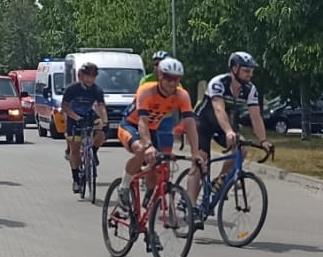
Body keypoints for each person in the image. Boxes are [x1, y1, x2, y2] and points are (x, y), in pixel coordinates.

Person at [119, 55, 194, 208]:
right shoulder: (146, 90)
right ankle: (124, 187)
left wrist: (196, 153)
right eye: (168, 78)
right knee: (141, 149)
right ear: (160, 75)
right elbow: (142, 122)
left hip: (152, 129)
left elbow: (190, 124)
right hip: (131, 125)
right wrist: (148, 145)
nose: (172, 83)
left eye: (176, 79)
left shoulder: (182, 95)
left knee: (155, 168)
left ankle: (149, 201)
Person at [196, 50, 271, 199]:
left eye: (252, 71)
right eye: (246, 70)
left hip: (221, 124)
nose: (250, 74)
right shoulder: (219, 83)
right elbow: (219, 109)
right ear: (235, 69)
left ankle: (220, 180)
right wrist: (229, 131)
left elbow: (256, 117)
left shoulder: (250, 89)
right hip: (202, 123)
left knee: (241, 149)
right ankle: (189, 203)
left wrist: (263, 140)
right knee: (200, 162)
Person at [62, 61, 107, 189]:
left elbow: (101, 106)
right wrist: (76, 118)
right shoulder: (72, 89)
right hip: (74, 116)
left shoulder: (97, 90)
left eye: (93, 76)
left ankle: (93, 151)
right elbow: (65, 106)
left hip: (89, 114)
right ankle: (76, 179)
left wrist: (105, 121)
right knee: (75, 149)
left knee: (102, 133)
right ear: (81, 76)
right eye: (87, 76)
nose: (90, 79)